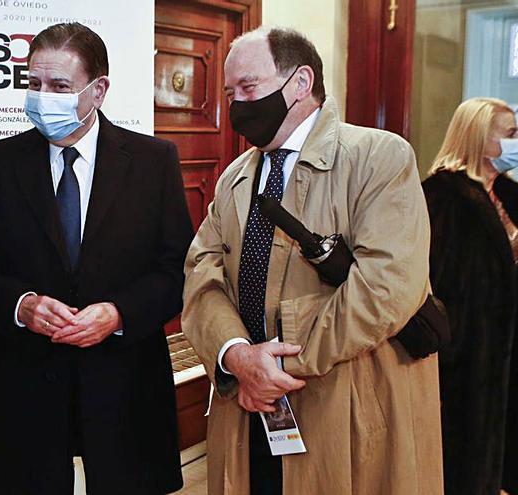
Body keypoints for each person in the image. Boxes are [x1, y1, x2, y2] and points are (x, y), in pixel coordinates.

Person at [181, 26, 443, 494]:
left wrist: (279, 365)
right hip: (249, 407)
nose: (236, 105)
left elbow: (386, 290)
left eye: (248, 88)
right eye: (228, 93)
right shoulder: (235, 178)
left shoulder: (378, 158)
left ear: (300, 83)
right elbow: (202, 276)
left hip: (342, 406)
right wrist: (238, 357)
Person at [0, 22, 193, 495]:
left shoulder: (152, 161)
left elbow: (177, 269)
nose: (42, 98)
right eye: (33, 84)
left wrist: (120, 312)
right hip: (26, 385)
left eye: (59, 86)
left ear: (98, 90)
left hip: (123, 382)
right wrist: (21, 305)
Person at [422, 97, 518, 495]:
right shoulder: (442, 196)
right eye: (510, 134)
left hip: (505, 351)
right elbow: (430, 279)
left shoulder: (509, 193)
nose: (517, 141)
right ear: (479, 137)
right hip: (463, 357)